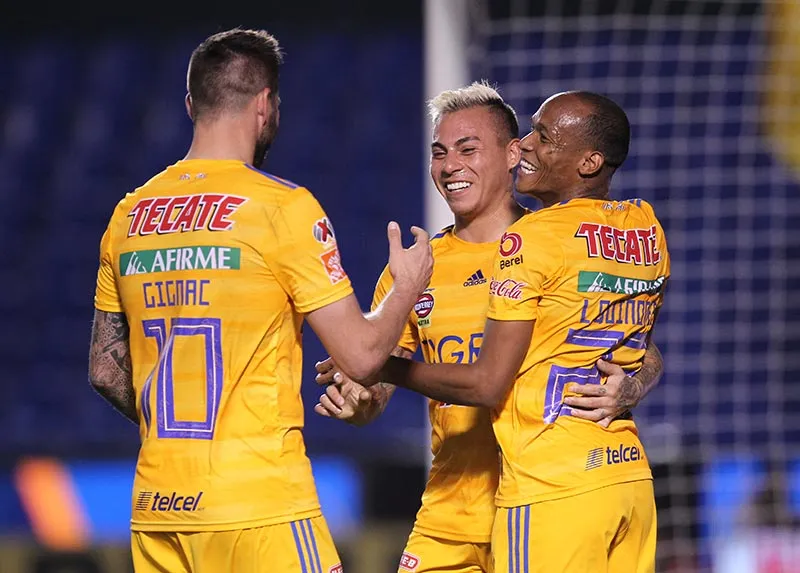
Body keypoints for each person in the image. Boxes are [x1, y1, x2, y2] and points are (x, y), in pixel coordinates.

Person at [87, 28, 432, 573]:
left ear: (189, 105)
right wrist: (407, 286)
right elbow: (363, 357)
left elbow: (107, 371)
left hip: (158, 511)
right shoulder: (281, 208)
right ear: (266, 104)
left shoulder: (129, 215)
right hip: (259, 507)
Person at [315, 86, 666, 573]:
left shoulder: (552, 246)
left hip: (541, 498)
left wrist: (632, 383)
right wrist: (358, 402)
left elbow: (641, 350)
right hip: (452, 515)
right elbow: (371, 389)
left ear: (512, 154)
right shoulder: (413, 271)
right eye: (439, 152)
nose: (450, 165)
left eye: (467, 149)